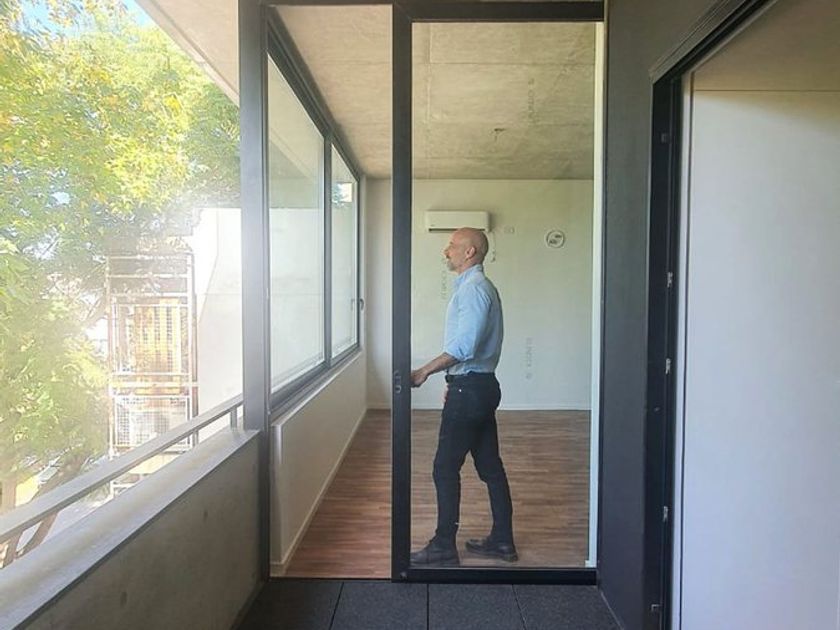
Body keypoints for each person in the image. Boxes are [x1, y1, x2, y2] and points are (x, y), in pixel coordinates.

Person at [409, 227, 516, 566]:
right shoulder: (477, 287)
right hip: (477, 386)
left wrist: (424, 371)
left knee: (444, 467)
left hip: (470, 390)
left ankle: (443, 545)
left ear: (470, 252)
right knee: (490, 467)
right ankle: (502, 541)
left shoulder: (473, 290)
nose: (446, 251)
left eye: (452, 245)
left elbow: (464, 347)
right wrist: (453, 380)